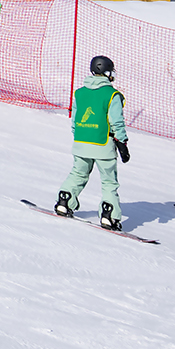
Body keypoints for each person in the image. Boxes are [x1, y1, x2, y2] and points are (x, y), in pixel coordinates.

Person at [56, 54, 131, 231]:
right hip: (102, 144)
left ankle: (64, 200)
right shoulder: (112, 95)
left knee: (78, 173)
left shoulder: (80, 92)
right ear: (106, 72)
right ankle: (109, 215)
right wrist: (123, 142)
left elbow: (75, 120)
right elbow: (116, 121)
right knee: (109, 182)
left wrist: (80, 136)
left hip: (81, 142)